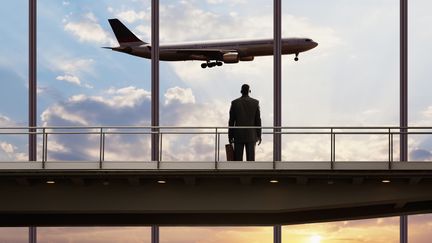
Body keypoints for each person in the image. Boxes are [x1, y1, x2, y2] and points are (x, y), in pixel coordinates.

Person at [228, 84, 262, 161]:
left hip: (238, 135)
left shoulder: (234, 103)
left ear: (241, 91)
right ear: (249, 91)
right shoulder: (255, 103)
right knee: (250, 161)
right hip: (251, 135)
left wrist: (230, 136)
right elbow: (258, 121)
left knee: (238, 161)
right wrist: (259, 135)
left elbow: (231, 121)